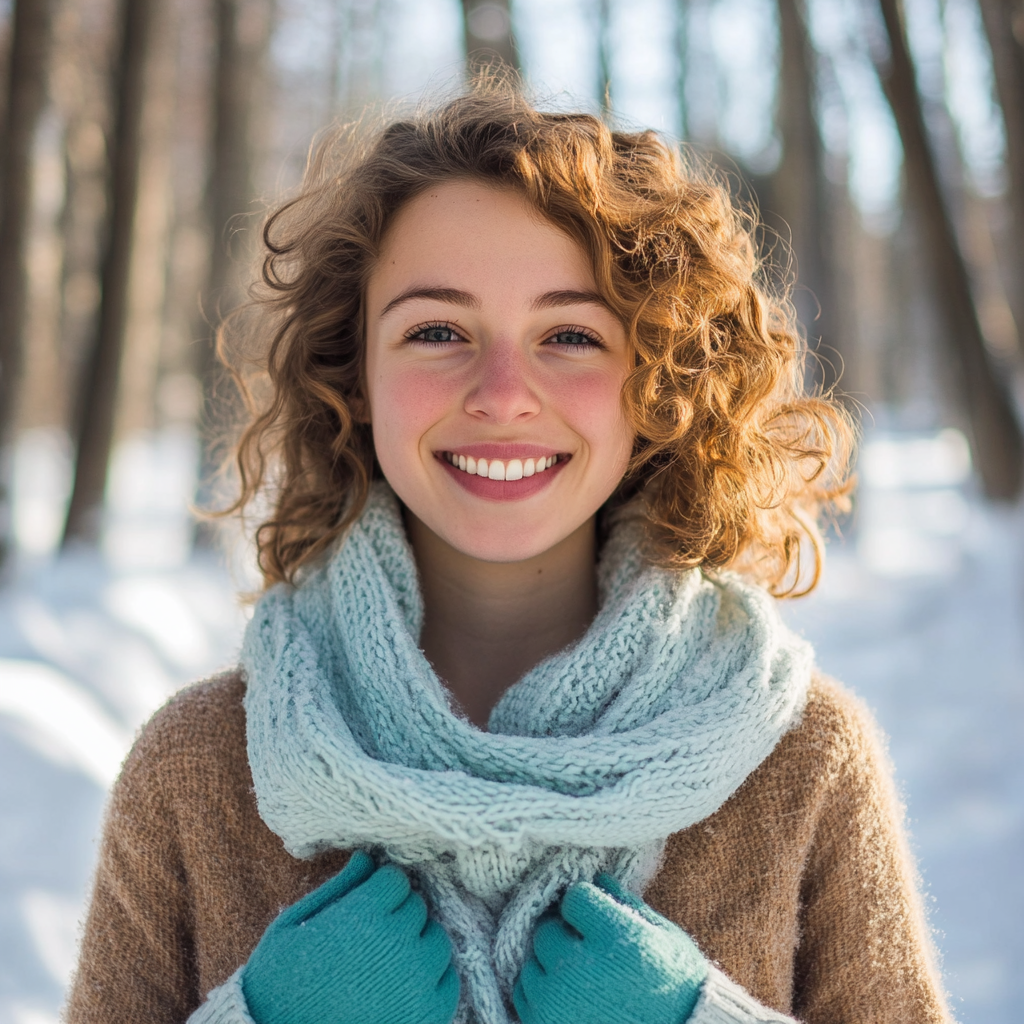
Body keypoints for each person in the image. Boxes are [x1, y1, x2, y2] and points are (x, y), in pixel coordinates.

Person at [66, 86, 953, 1024]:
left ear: (656, 381)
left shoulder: (802, 761)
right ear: (354, 372)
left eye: (570, 335)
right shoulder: (200, 769)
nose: (502, 394)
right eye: (436, 332)